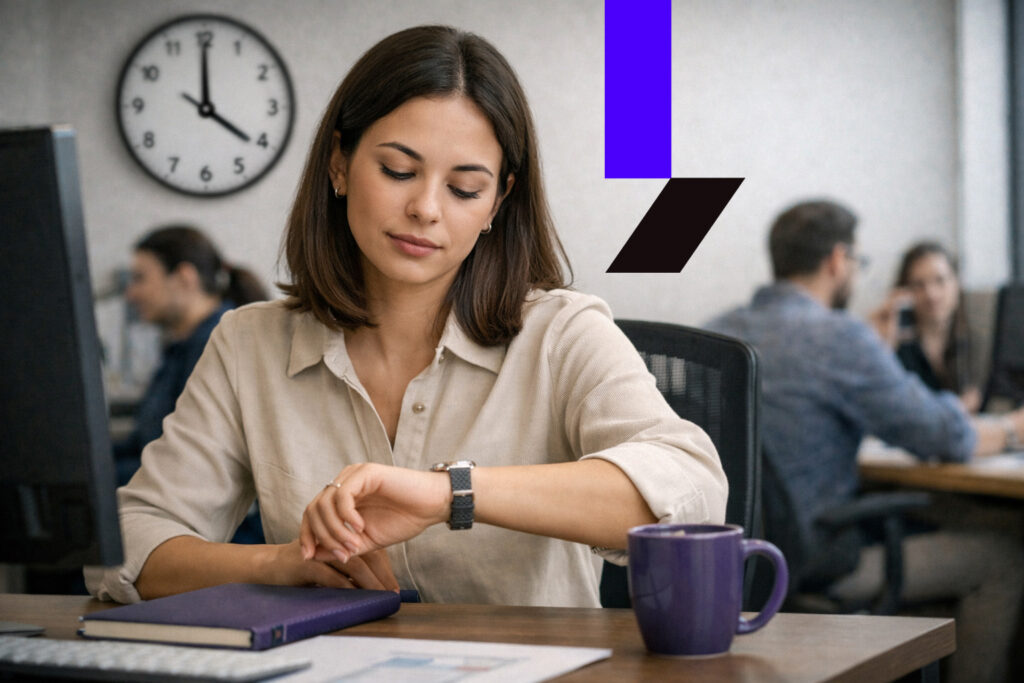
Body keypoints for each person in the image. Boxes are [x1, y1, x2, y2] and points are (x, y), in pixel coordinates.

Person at [86, 25, 726, 608]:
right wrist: (281, 565)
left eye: (464, 189)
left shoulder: (564, 331)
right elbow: (130, 544)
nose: (425, 208)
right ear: (339, 163)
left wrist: (452, 495)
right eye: (397, 170)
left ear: (498, 201)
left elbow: (691, 490)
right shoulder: (248, 342)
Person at [706, 199, 1024, 683]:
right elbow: (941, 435)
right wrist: (1011, 429)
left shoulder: (717, 331)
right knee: (1003, 555)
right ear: (838, 260)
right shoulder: (839, 337)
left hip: (735, 564)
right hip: (818, 560)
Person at [113, 225, 268, 485]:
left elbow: (192, 470)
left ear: (185, 277)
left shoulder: (217, 345)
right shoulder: (181, 348)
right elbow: (144, 446)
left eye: (140, 278)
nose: (131, 293)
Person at [870, 241, 980, 412]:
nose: (931, 294)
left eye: (940, 280)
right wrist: (883, 344)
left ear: (956, 283)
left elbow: (975, 399)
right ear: (905, 290)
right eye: (918, 285)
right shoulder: (896, 340)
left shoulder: (969, 339)